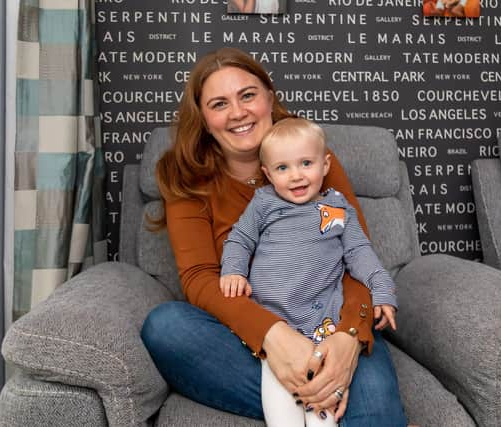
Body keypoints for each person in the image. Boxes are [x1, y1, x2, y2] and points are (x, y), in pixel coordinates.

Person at [140, 47, 407, 426]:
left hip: (327, 323)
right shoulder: (185, 175)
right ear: (203, 117)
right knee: (165, 327)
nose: (237, 112)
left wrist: (347, 337)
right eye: (219, 103)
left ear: (269, 95)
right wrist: (273, 336)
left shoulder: (310, 156)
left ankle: (315, 390)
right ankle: (317, 395)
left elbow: (355, 253)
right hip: (244, 334)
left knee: (376, 416)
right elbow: (199, 278)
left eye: (247, 95)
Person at [219, 117, 399, 427]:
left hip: (323, 326)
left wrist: (382, 287)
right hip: (275, 330)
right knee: (281, 412)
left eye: (306, 163)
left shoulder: (336, 209)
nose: (296, 176)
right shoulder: (264, 203)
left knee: (322, 411)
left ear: (325, 164)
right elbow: (240, 239)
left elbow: (359, 253)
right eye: (282, 168)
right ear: (267, 175)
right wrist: (233, 270)